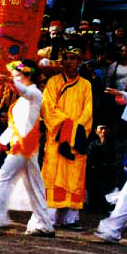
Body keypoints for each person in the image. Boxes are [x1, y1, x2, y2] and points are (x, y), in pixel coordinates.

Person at [0, 60, 55, 237]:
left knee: (1, 179)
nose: (14, 78)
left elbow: (23, 90)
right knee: (35, 186)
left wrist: (10, 82)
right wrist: (1, 141)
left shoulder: (34, 93)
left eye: (17, 75)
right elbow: (14, 125)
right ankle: (45, 224)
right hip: (24, 144)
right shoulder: (21, 100)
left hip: (24, 146)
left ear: (28, 74)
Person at [41, 46, 93, 230]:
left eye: (74, 58)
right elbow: (48, 108)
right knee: (54, 175)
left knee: (74, 176)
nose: (70, 61)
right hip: (57, 138)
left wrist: (75, 129)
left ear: (80, 62)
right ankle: (51, 217)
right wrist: (66, 126)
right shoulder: (54, 82)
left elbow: (88, 112)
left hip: (76, 139)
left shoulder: (86, 85)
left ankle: (71, 218)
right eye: (67, 58)